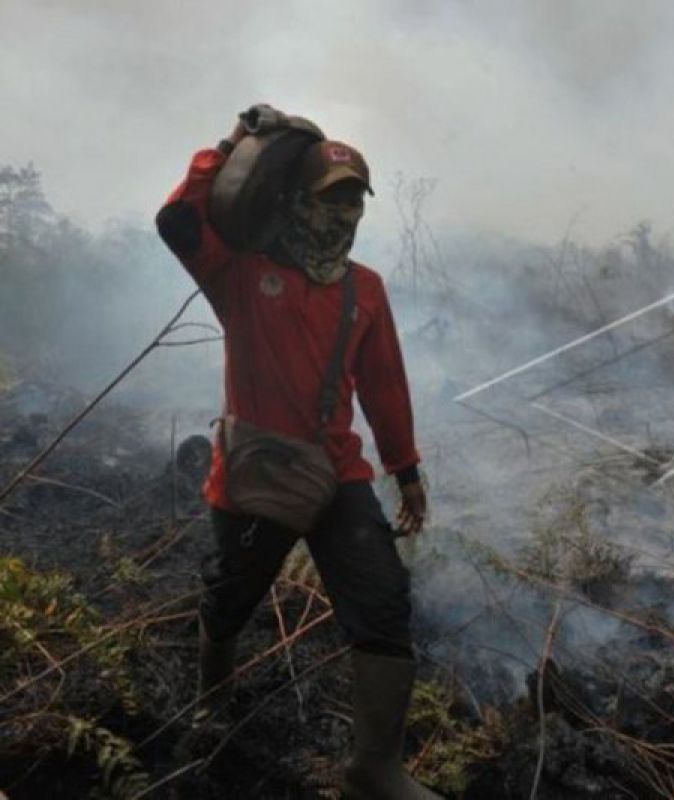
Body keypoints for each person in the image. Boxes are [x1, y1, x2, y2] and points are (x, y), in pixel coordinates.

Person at [156, 112, 439, 800]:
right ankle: (212, 706)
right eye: (330, 195)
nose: (342, 211)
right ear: (295, 199)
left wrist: (404, 468)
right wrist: (226, 148)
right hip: (255, 471)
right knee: (229, 599)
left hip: (337, 475)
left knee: (382, 605)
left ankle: (374, 767)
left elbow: (383, 382)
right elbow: (178, 223)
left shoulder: (363, 287)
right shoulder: (242, 271)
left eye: (353, 199)